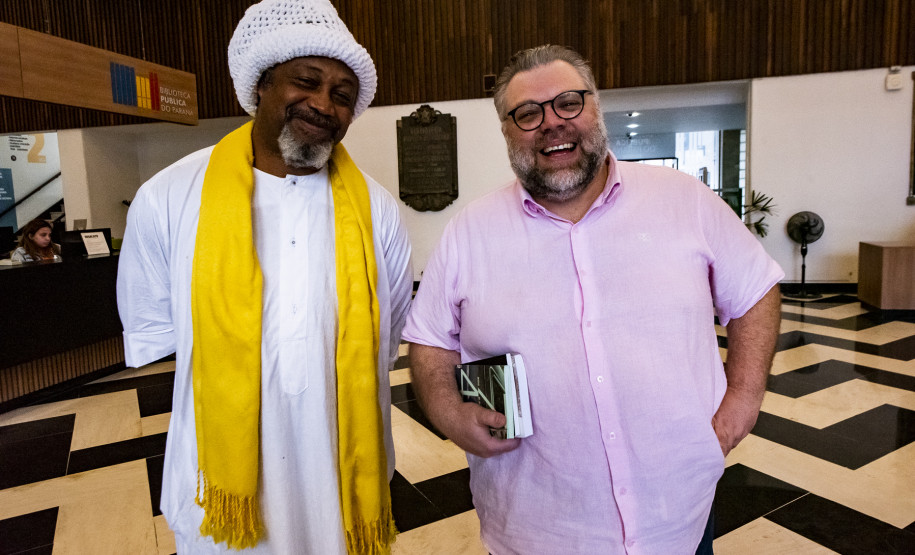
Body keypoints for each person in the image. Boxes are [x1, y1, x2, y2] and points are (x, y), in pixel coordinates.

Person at [404, 45, 783, 554]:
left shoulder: (684, 200)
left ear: (595, 106)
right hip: (536, 526)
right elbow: (429, 339)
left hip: (675, 514)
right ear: (506, 131)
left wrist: (743, 398)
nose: (551, 123)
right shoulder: (469, 232)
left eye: (568, 103)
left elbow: (756, 289)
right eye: (527, 113)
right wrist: (449, 412)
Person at [116, 0, 411, 553]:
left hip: (341, 487)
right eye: (307, 81)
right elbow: (156, 331)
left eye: (342, 95)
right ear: (260, 85)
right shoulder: (169, 199)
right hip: (223, 494)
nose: (323, 104)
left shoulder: (378, 211)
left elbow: (385, 336)